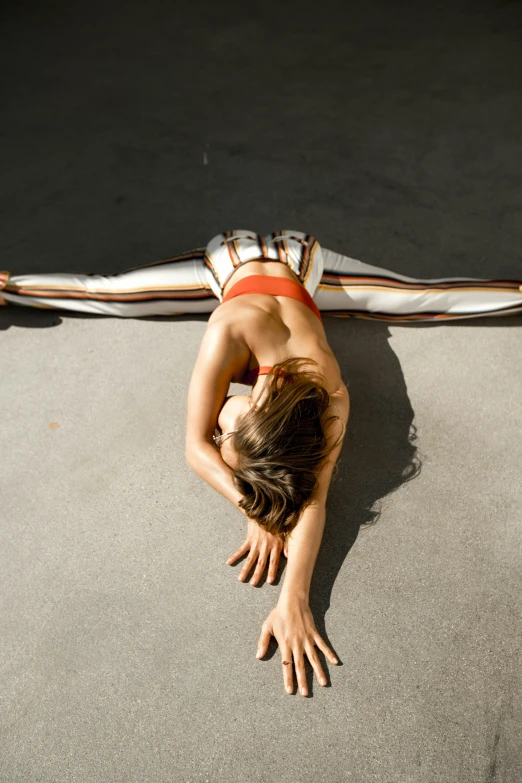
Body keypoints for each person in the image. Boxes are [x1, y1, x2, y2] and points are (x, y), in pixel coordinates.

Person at [2, 229, 521, 697]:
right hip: (233, 258)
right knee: (103, 293)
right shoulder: (227, 331)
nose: (220, 429)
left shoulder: (331, 391)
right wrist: (256, 508)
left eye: (224, 429)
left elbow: (313, 498)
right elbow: (195, 447)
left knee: (424, 299)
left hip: (304, 262)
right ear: (254, 408)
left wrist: (296, 596)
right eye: (228, 430)